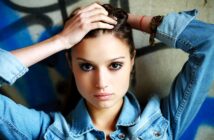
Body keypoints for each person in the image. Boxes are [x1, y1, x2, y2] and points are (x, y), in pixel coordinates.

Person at [0, 2, 213, 140]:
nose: (101, 82)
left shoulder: (162, 124)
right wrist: (60, 41)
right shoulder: (47, 133)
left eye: (115, 65)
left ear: (131, 60)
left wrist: (127, 18)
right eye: (87, 66)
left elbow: (209, 42)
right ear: (71, 63)